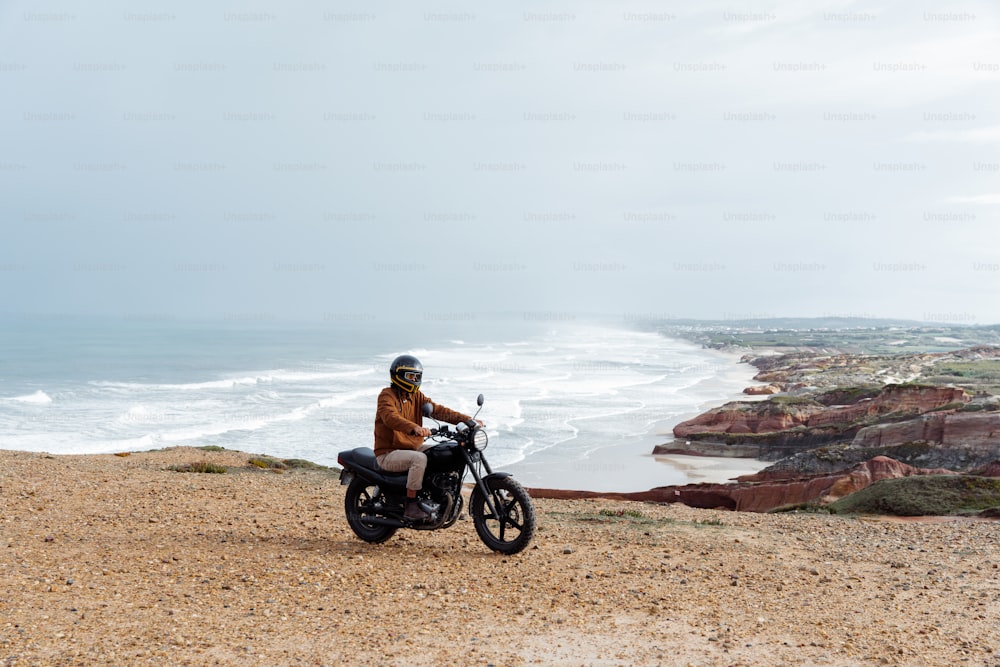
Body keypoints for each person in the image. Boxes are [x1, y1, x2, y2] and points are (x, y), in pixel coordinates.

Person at [373, 354, 475, 521]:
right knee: (419, 459)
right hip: (388, 453)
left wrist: (467, 420)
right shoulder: (386, 396)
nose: (415, 380)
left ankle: (443, 498)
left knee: (448, 452)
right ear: (399, 376)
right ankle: (411, 505)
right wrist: (413, 427)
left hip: (412, 448)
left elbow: (438, 410)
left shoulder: (416, 396)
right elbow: (390, 417)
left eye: (417, 376)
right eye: (411, 376)